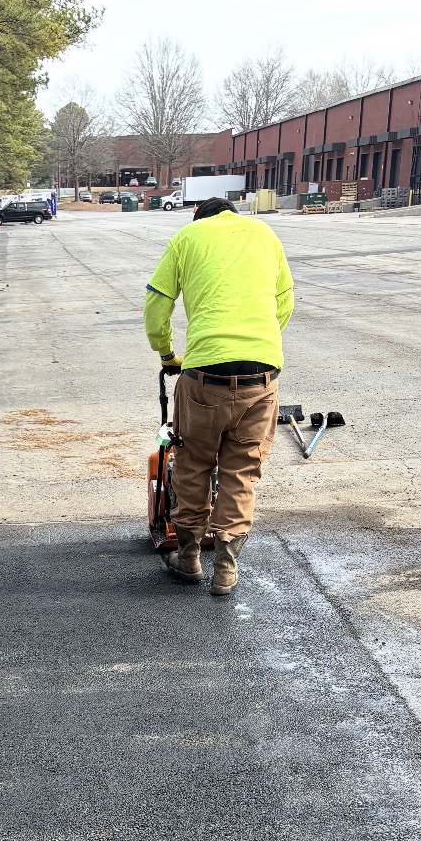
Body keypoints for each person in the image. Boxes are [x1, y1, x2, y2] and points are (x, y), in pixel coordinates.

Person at [143, 197, 294, 596]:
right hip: (259, 375)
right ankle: (225, 568)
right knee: (241, 471)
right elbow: (284, 302)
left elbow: (157, 304)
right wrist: (259, 344)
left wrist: (166, 352)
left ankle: (190, 557)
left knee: (193, 463)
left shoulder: (187, 236)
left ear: (199, 216)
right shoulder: (265, 234)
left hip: (204, 374)